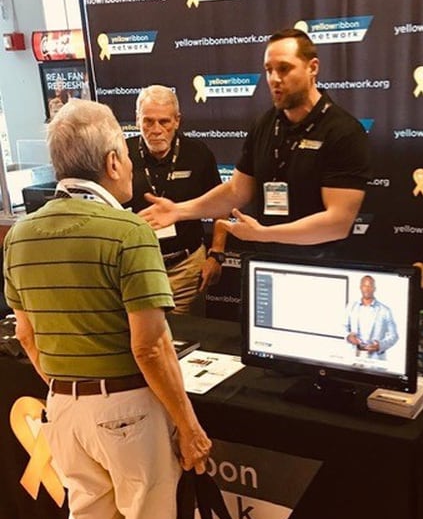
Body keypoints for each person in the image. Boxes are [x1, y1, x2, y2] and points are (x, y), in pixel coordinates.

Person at [3, 99, 212, 519]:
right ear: (115, 160)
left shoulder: (20, 235)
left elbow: (26, 336)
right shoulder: (128, 233)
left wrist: (67, 383)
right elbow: (150, 346)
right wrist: (188, 426)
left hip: (63, 410)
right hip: (127, 412)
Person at [139, 28, 371, 254]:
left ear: (313, 68)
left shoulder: (343, 131)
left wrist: (265, 233)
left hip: (320, 267)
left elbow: (337, 223)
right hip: (267, 260)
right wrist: (179, 211)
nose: (274, 79)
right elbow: (236, 192)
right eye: (269, 70)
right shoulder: (266, 124)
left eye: (284, 69)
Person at [126, 84, 228, 313]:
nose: (156, 129)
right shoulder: (121, 154)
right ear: (137, 120)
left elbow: (222, 206)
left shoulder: (198, 153)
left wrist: (217, 254)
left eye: (164, 122)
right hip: (138, 269)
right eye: (148, 121)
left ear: (177, 121)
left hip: (186, 268)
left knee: (187, 340)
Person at [345, 275, 399, 359]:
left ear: (374, 288)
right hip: (354, 357)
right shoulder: (351, 307)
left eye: (369, 286)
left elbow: (394, 336)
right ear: (360, 287)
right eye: (364, 286)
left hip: (376, 360)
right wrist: (348, 337)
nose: (367, 289)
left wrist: (380, 345)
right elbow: (342, 327)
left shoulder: (385, 310)